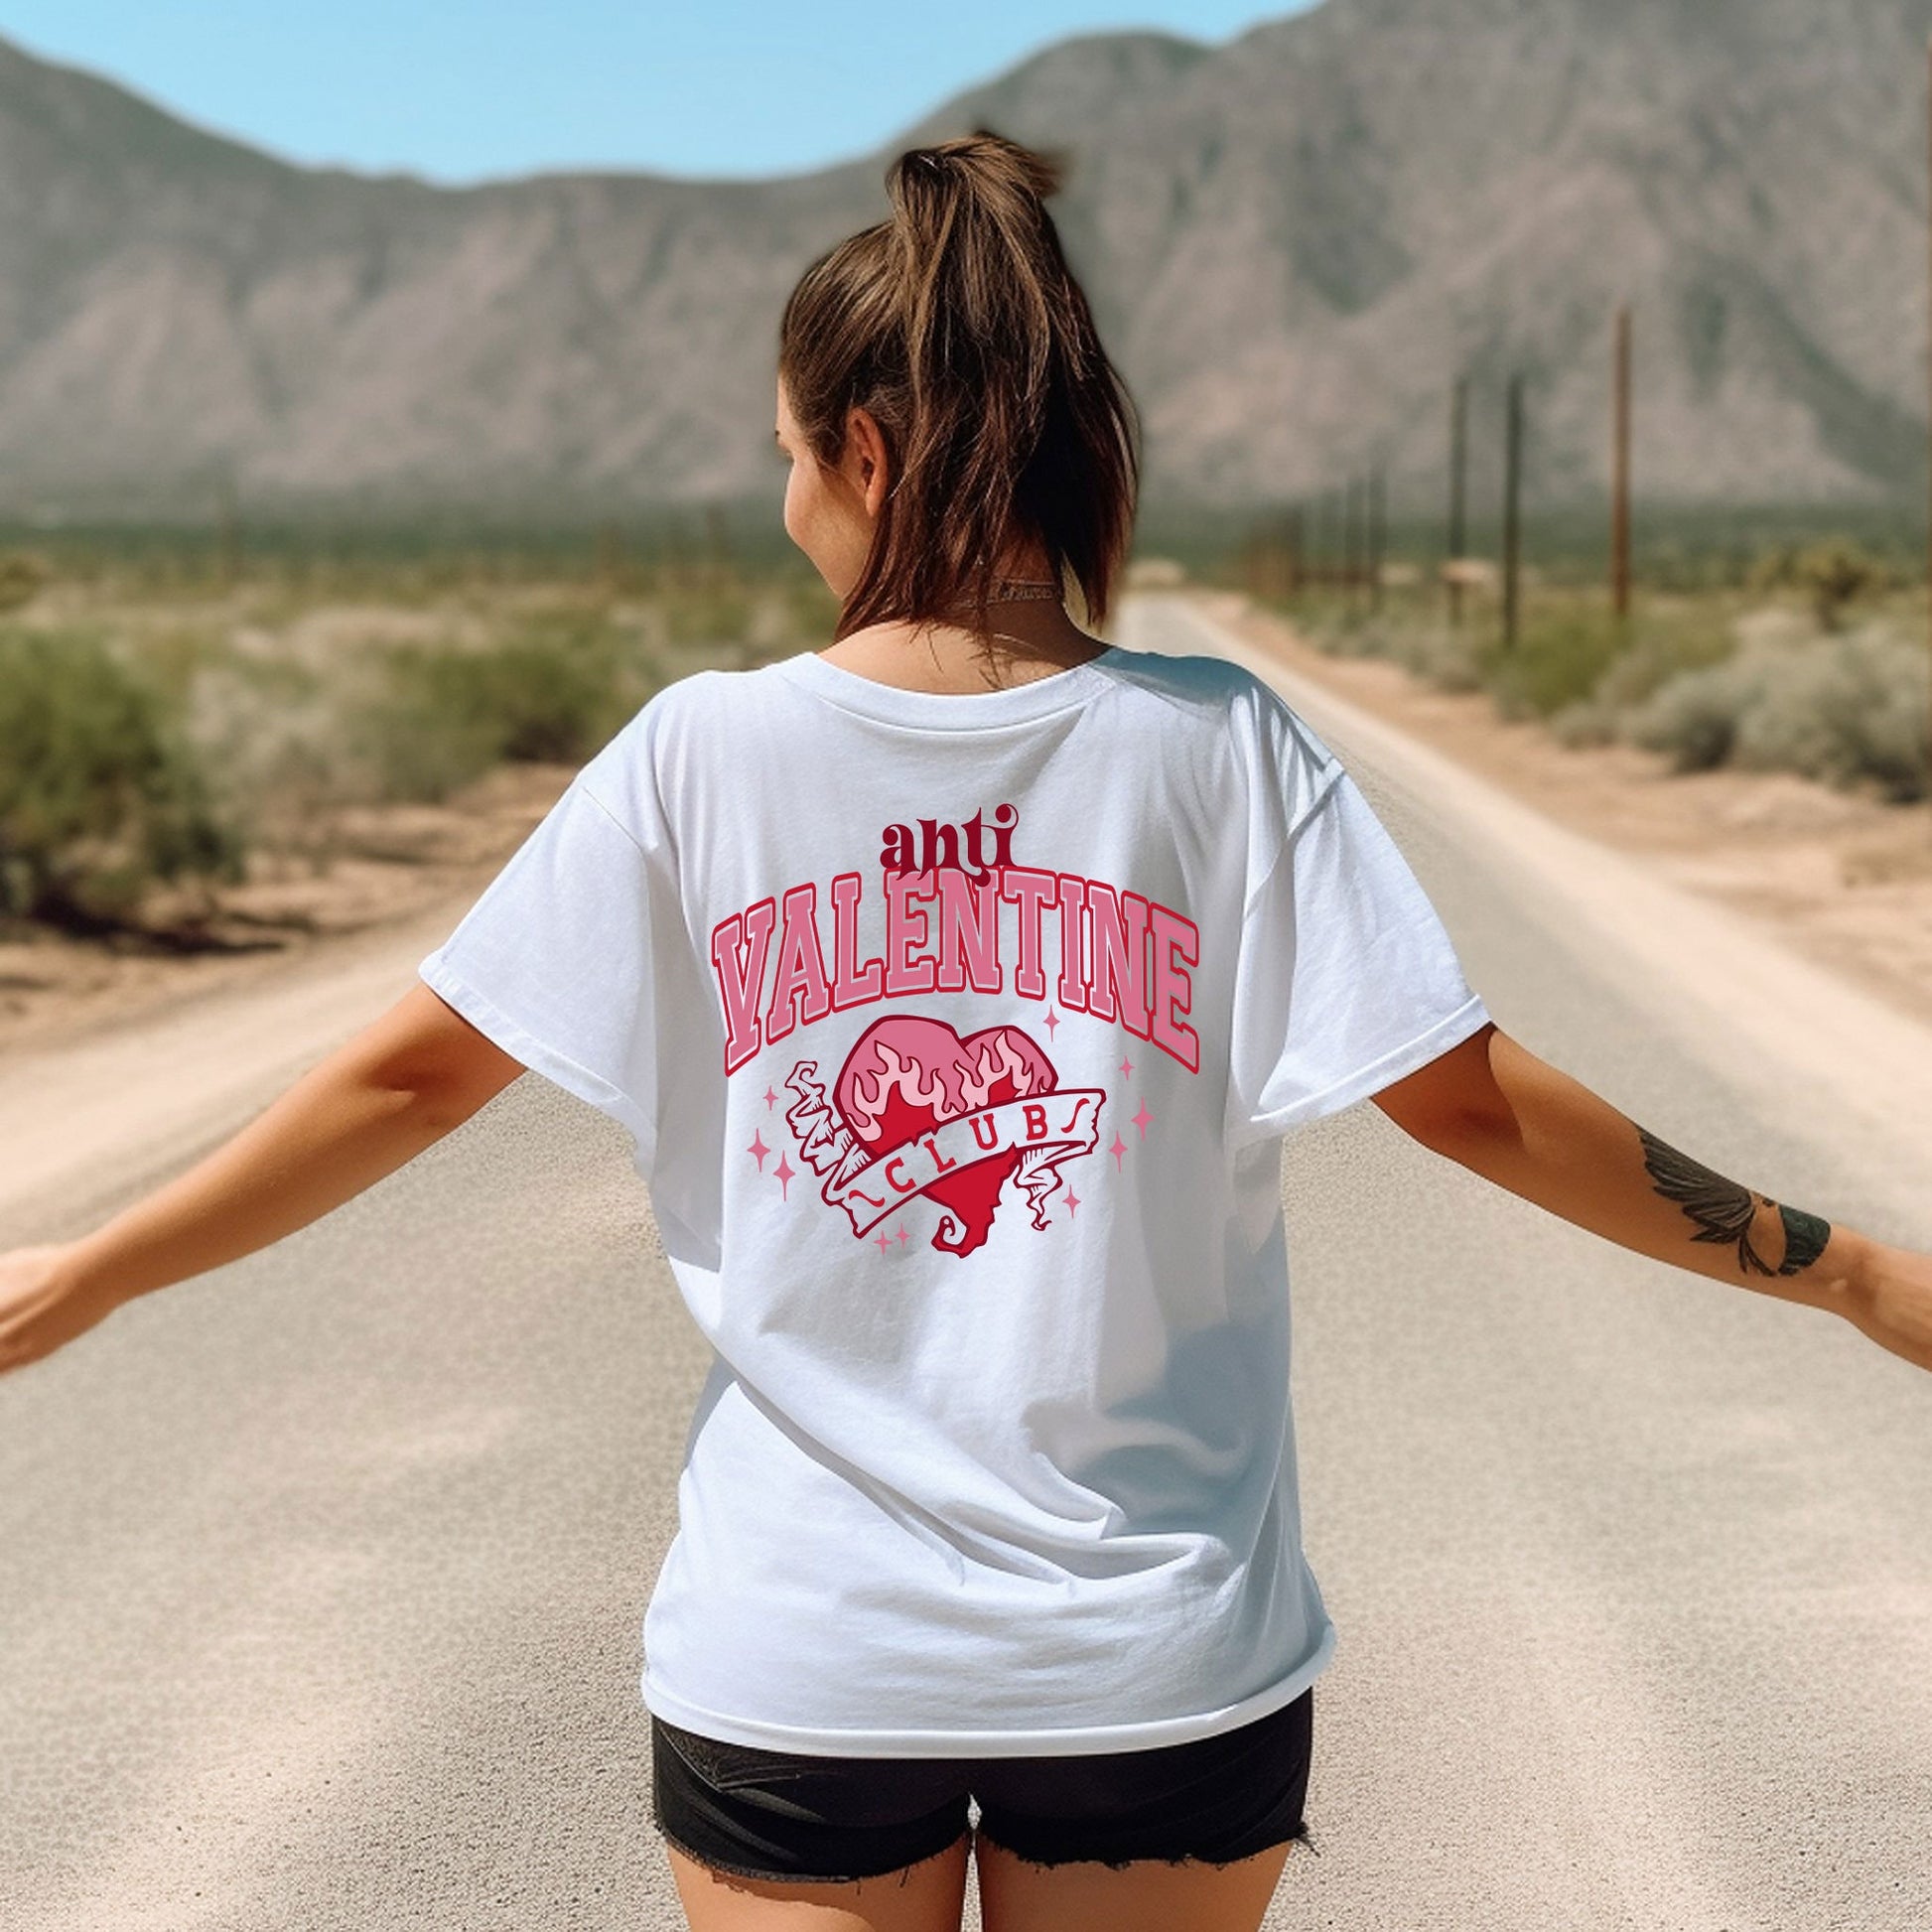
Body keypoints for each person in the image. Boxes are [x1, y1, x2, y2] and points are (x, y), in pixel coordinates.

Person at [2, 129, 1928, 1932]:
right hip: (1153, 1658)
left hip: (805, 1657)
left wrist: (91, 1274)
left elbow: (409, 1077)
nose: (779, 503)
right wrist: (1842, 1274)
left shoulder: (699, 755)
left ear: (858, 447)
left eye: (779, 454)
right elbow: (1481, 1113)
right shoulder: (1219, 748)